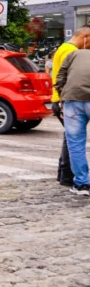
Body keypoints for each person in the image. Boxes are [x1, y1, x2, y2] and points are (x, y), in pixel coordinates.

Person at [51, 28, 90, 187]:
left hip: (66, 98)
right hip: (70, 98)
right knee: (72, 142)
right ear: (85, 37)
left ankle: (67, 175)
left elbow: (61, 76)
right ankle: (68, 175)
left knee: (72, 140)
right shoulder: (72, 51)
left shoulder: (63, 48)